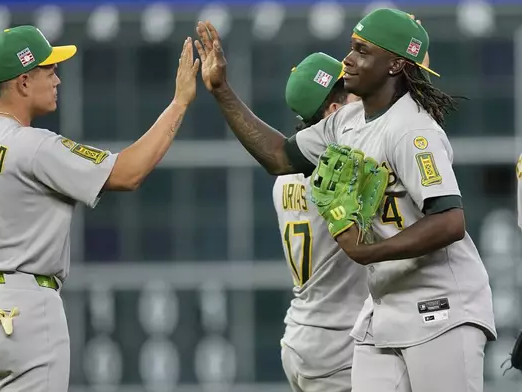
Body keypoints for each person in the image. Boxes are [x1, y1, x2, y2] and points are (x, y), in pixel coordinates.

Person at [195, 8, 496, 392]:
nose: (348, 59)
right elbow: (279, 157)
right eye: (351, 48)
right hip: (385, 307)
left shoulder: (413, 130)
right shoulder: (346, 123)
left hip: (441, 305)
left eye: (362, 50)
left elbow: (451, 221)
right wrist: (222, 91)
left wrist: (368, 252)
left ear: (394, 65)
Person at [0, 26, 199, 391]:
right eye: (48, 70)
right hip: (22, 314)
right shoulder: (34, 146)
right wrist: (179, 102)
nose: (57, 79)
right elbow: (129, 173)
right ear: (23, 82)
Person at [274, 52, 365, 392]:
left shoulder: (283, 177)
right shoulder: (339, 170)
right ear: (335, 112)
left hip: (301, 335)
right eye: (353, 94)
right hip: (338, 347)